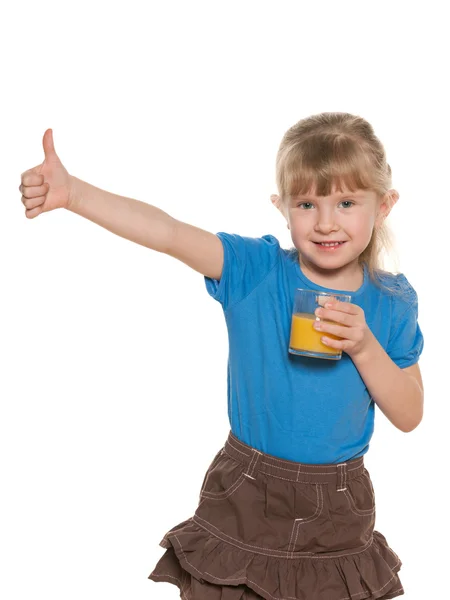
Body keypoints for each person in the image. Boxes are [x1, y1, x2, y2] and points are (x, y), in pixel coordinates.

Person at [19, 112, 424, 600]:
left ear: (384, 205)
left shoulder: (392, 301)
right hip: (246, 490)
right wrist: (75, 194)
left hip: (339, 507)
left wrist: (363, 345)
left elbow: (409, 414)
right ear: (281, 207)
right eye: (306, 203)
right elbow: (168, 233)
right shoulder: (255, 270)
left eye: (345, 202)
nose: (325, 222)